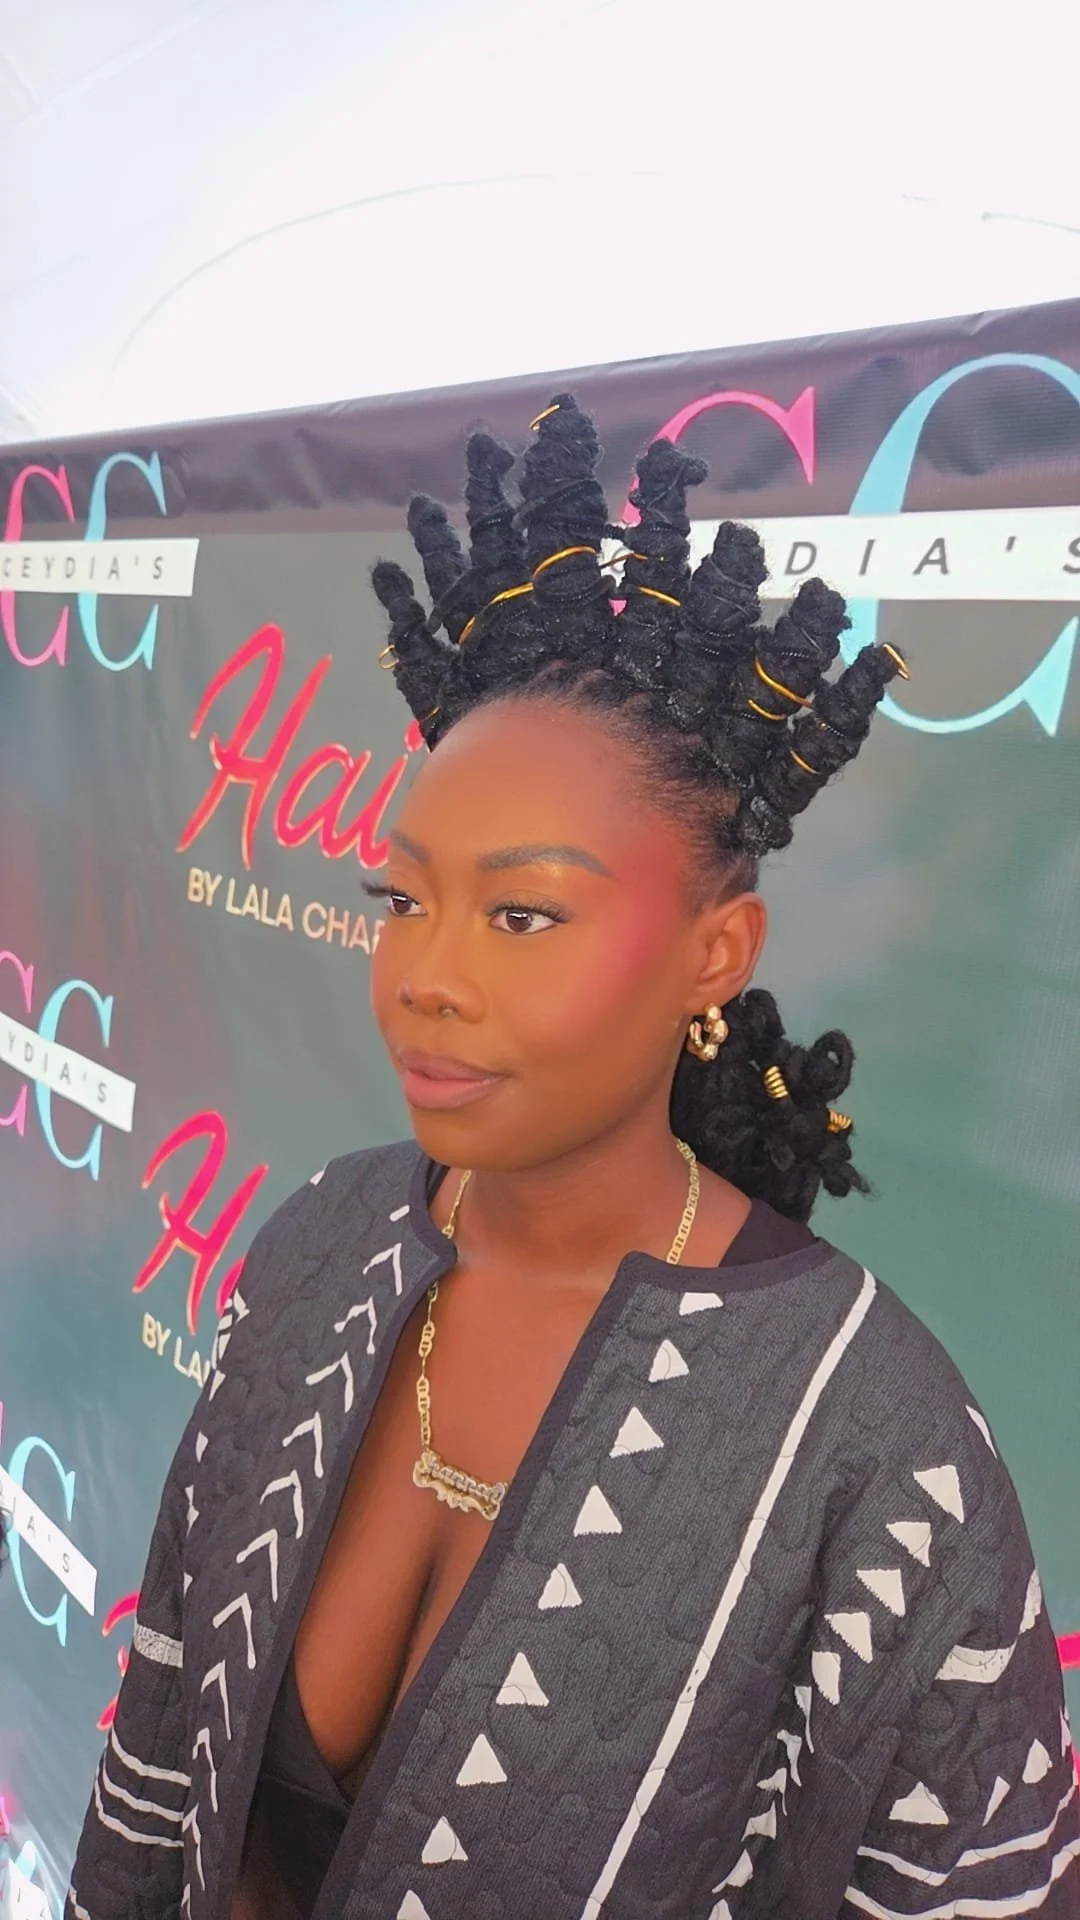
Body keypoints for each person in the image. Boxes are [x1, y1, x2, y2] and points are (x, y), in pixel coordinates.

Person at [66, 397, 1079, 1920]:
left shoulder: (877, 1449)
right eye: (402, 901)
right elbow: (160, 1759)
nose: (427, 976)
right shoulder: (319, 1248)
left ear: (714, 953)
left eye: (523, 915)